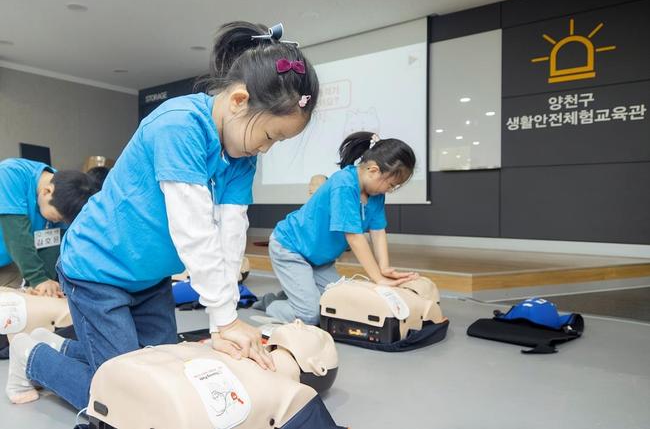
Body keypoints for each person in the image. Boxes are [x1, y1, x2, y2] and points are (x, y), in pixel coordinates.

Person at [6, 21, 319, 409]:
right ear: (239, 101)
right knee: (127, 394)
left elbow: (230, 236)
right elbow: (195, 230)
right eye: (270, 136)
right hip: (95, 272)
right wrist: (226, 320)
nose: (266, 148)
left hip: (149, 277)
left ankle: (52, 346)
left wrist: (222, 323)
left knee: (165, 373)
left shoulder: (242, 155)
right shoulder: (180, 125)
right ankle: (30, 355)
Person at [259, 131, 419, 324]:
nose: (390, 190)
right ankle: (270, 303)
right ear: (373, 170)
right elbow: (354, 237)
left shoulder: (376, 195)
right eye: (391, 185)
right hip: (291, 249)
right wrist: (378, 278)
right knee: (311, 316)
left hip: (320, 260)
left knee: (337, 306)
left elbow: (378, 231)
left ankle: (295, 295)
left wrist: (384, 268)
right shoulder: (344, 183)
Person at [0, 158, 96, 295]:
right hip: (15, 251)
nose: (58, 221)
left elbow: (52, 245)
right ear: (46, 191)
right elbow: (16, 234)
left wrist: (45, 284)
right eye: (57, 217)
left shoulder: (66, 192)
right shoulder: (10, 174)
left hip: (9, 261)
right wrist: (38, 278)